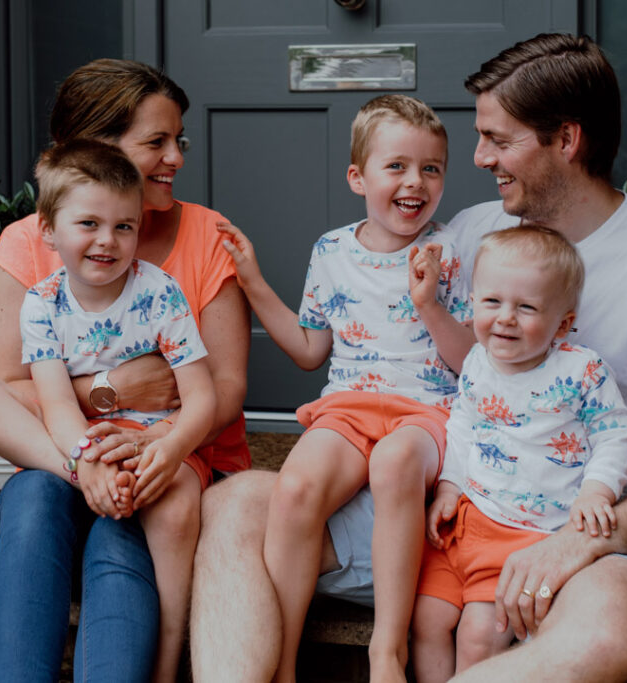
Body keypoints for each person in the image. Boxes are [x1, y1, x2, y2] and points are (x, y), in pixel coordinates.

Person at [191, 32, 627, 683]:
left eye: (499, 141)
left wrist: (577, 541)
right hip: (438, 523)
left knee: (613, 621)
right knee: (233, 507)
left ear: (566, 140)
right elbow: (371, 324)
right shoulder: (472, 232)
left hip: (577, 535)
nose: (478, 158)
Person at [0, 59, 250, 683]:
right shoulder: (28, 244)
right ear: (95, 147)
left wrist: (151, 442)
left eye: (180, 140)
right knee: (33, 503)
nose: (175, 157)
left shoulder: (202, 241)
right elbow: (4, 387)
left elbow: (223, 389)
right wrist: (112, 395)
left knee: (122, 536)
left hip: (167, 455)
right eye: (156, 142)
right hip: (64, 456)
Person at [217, 93, 469, 681]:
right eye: (397, 166)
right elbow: (310, 351)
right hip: (350, 407)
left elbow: (470, 364)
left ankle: (387, 649)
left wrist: (428, 304)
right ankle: (281, 662)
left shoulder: (449, 250)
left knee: (395, 466)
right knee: (297, 487)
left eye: (431, 168)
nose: (416, 181)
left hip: (426, 411)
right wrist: (252, 281)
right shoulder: (331, 251)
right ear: (358, 177)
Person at [410, 225, 627, 681]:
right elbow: (463, 428)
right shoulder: (476, 361)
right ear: (472, 300)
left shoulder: (580, 371)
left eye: (527, 307)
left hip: (524, 537)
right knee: (426, 621)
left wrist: (596, 492)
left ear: (563, 322)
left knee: (478, 635)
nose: (506, 318)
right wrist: (450, 488)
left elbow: (615, 435)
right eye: (492, 302)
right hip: (467, 523)